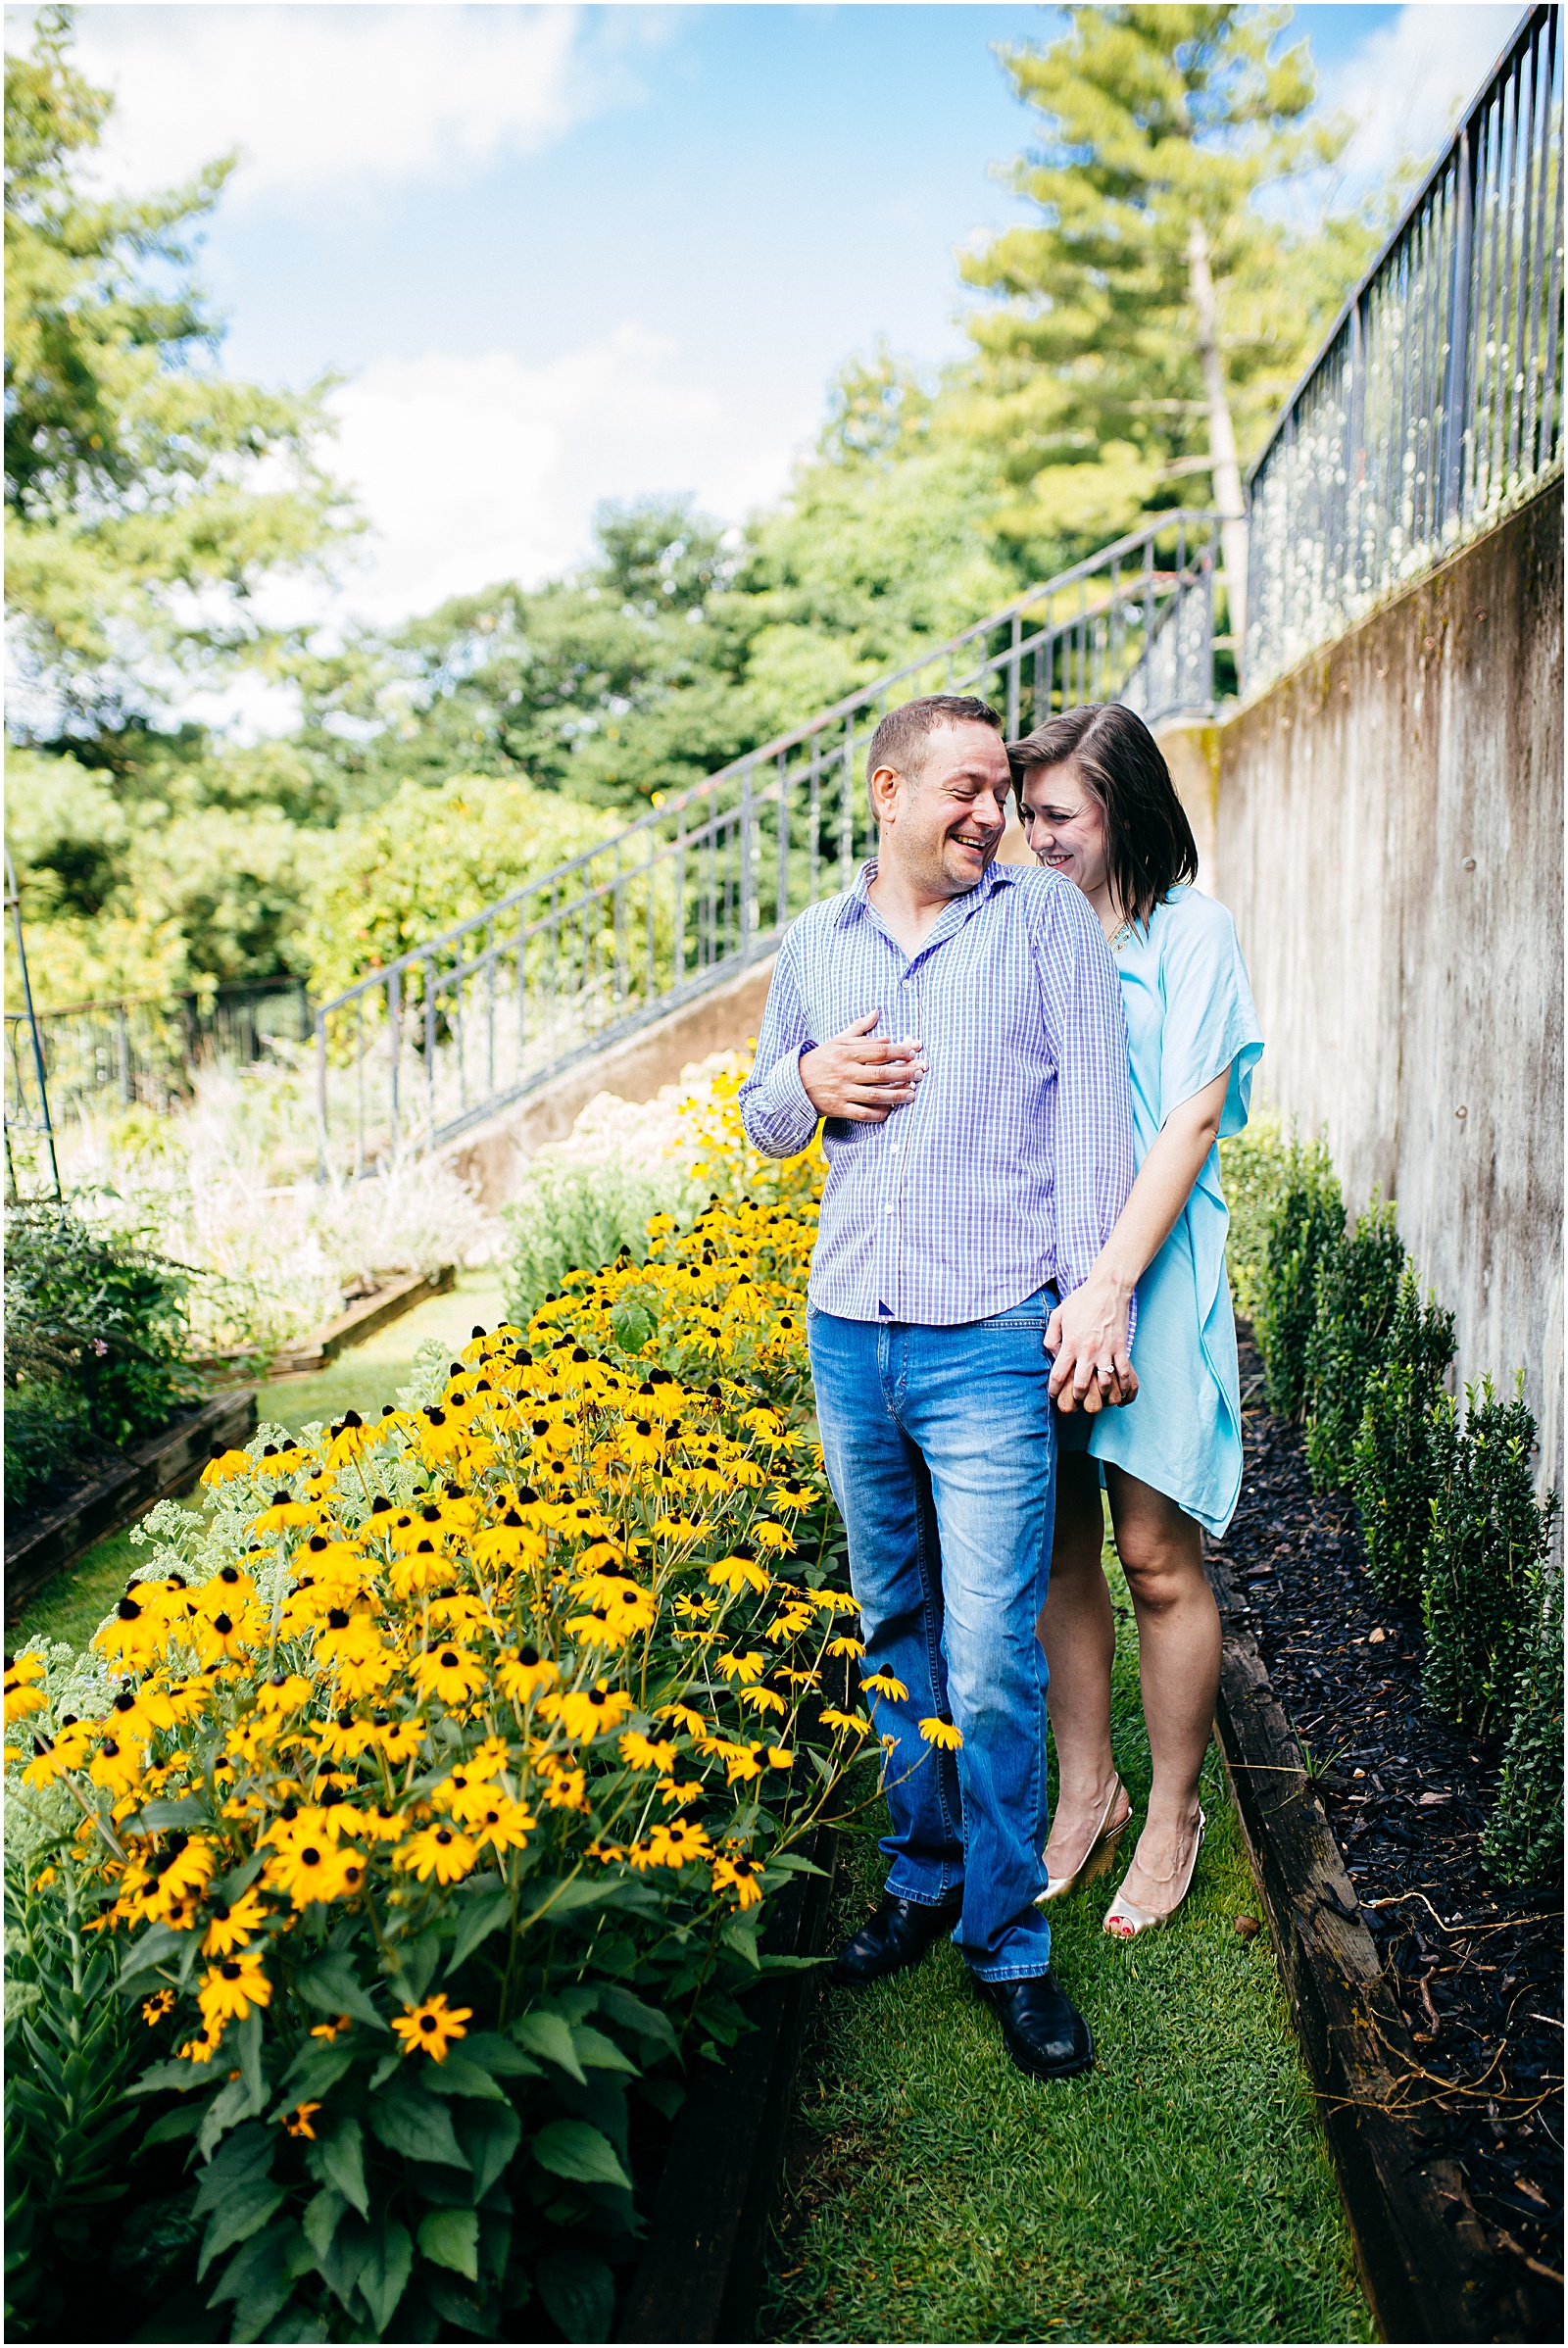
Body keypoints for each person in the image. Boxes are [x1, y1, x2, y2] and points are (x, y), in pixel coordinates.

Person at [739, 692, 1137, 2081]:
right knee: (892, 1618)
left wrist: (1096, 1297)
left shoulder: (1039, 926)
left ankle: (1009, 1945)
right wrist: (805, 1072)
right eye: (963, 790)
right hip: (850, 1332)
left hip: (986, 1340)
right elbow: (761, 1124)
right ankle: (917, 1879)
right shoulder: (814, 946)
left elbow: (1095, 1116)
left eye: (1002, 792)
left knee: (991, 1651)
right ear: (887, 789)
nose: (989, 814)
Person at [1009, 702, 1263, 1937]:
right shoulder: (1015, 928)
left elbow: (1190, 1120)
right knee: (1057, 1547)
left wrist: (1109, 1284)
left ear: (1125, 810)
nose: (1037, 836)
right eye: (1029, 814)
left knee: (1154, 1556)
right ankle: (1086, 1793)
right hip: (1035, 1272)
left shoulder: (1190, 934)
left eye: (1062, 814)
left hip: (1147, 1278)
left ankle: (1171, 1815)